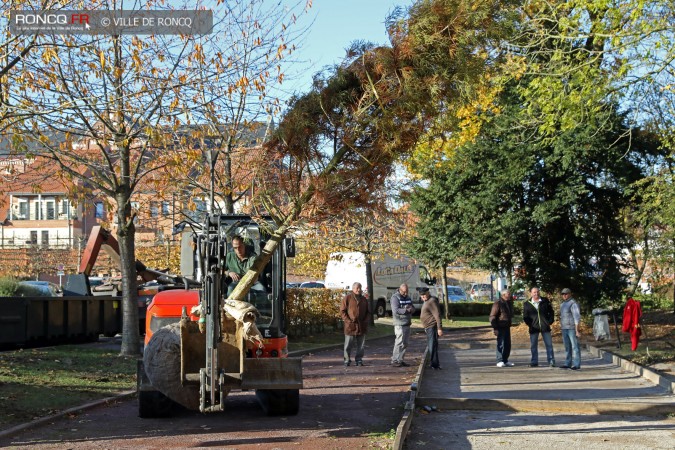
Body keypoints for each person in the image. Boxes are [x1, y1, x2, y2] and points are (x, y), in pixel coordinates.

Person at [522, 286, 556, 367]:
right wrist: (530, 324)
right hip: (534, 328)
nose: (536, 293)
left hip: (545, 326)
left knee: (549, 345)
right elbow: (525, 316)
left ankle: (551, 361)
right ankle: (534, 361)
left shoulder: (545, 301)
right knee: (533, 345)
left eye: (537, 292)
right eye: (534, 292)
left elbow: (551, 312)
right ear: (531, 293)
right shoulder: (527, 304)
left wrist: (549, 321)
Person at [340, 282, 371, 367]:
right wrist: (348, 321)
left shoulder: (364, 299)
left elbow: (368, 312)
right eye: (357, 288)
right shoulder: (347, 298)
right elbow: (342, 311)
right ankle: (347, 360)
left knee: (361, 345)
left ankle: (359, 360)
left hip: (361, 325)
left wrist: (365, 321)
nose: (359, 290)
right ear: (353, 289)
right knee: (348, 345)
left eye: (360, 288)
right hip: (350, 326)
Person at [390, 283, 415, 367]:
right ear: (400, 290)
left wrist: (412, 309)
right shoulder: (395, 297)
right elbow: (395, 310)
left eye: (407, 291)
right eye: (404, 292)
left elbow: (413, 307)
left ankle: (400, 359)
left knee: (405, 343)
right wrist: (406, 310)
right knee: (399, 342)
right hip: (399, 323)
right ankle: (394, 360)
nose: (405, 293)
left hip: (407, 322)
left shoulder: (408, 297)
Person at [419, 288, 443, 369]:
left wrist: (439, 328)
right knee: (431, 346)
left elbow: (437, 315)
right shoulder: (427, 301)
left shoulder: (431, 301)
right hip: (428, 327)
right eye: (421, 296)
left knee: (432, 346)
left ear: (428, 293)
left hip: (432, 327)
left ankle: (435, 364)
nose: (423, 297)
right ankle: (434, 363)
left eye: (424, 295)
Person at [490, 289, 514, 367]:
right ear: (503, 295)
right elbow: (492, 316)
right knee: (501, 344)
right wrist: (495, 328)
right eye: (508, 294)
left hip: (507, 326)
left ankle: (505, 360)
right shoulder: (498, 303)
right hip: (500, 326)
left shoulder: (508, 303)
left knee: (507, 344)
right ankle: (499, 360)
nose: (510, 295)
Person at [559, 288, 581, 370]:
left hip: (571, 328)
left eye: (566, 294)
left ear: (570, 294)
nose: (564, 295)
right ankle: (567, 363)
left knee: (575, 347)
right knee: (567, 347)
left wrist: (577, 330)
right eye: (563, 294)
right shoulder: (562, 304)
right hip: (564, 328)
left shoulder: (573, 304)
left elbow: (577, 317)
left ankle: (576, 364)